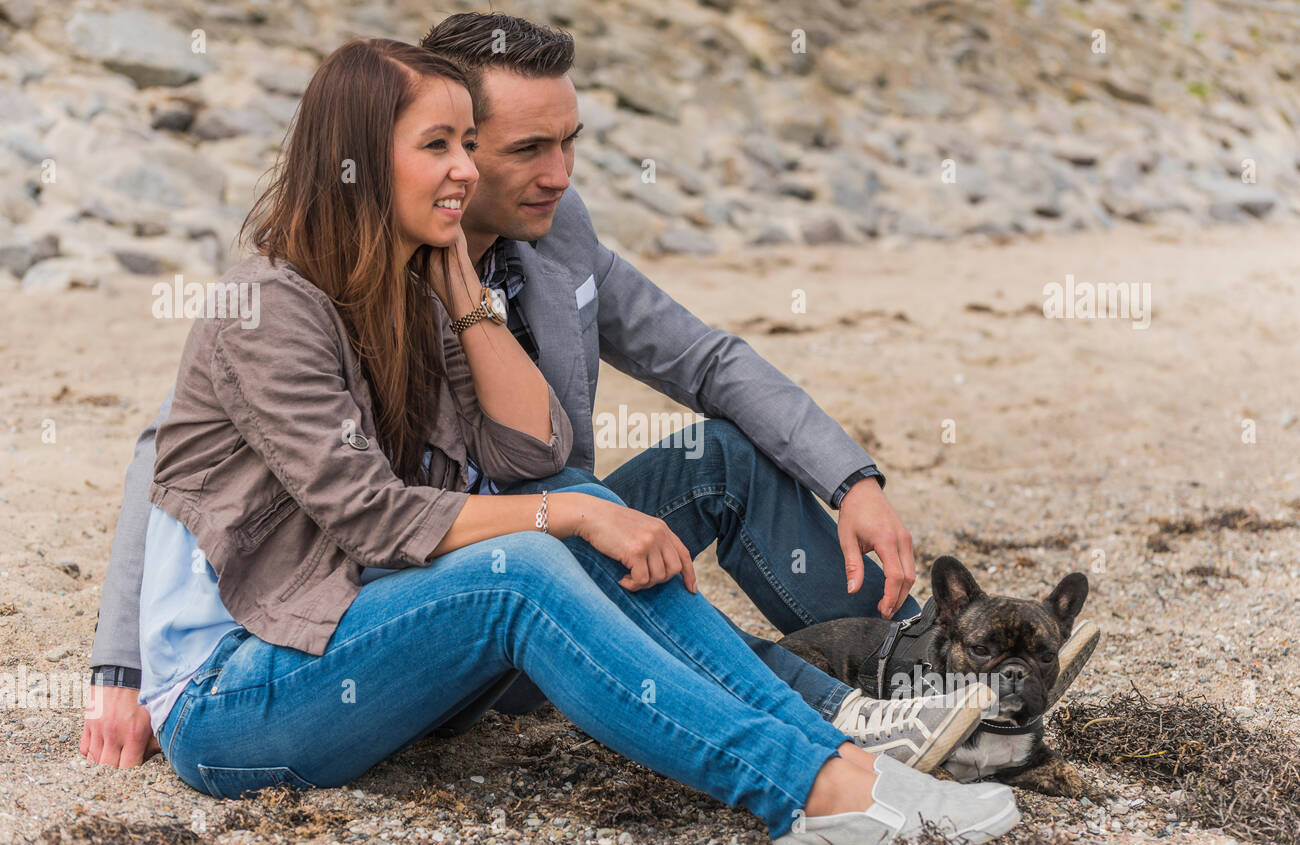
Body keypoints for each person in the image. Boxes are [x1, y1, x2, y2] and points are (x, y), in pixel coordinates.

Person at [82, 13, 1097, 778]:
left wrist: (853, 478)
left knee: (716, 456)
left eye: (571, 141)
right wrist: (120, 670)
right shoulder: (338, 277)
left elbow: (705, 358)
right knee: (575, 522)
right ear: (445, 140)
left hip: (528, 544)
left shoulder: (555, 238)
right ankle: (829, 723)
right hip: (417, 608)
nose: (560, 174)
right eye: (527, 149)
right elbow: (169, 459)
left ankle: (927, 676)